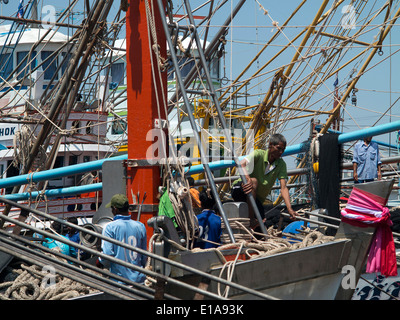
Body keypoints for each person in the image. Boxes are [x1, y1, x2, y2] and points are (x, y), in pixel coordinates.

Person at [231, 133, 297, 227]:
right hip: (240, 188)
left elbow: (283, 188)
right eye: (279, 148)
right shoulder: (258, 154)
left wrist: (289, 208)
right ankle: (251, 219)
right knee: (253, 182)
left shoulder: (281, 164)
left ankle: (252, 230)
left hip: (256, 198)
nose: (281, 152)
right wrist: (247, 178)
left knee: (261, 226)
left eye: (283, 149)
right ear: (270, 145)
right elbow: (241, 164)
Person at [98, 194, 147, 283]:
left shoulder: (109, 227)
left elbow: (107, 255)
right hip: (139, 280)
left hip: (120, 281)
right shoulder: (140, 226)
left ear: (115, 209)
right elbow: (144, 256)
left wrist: (100, 261)